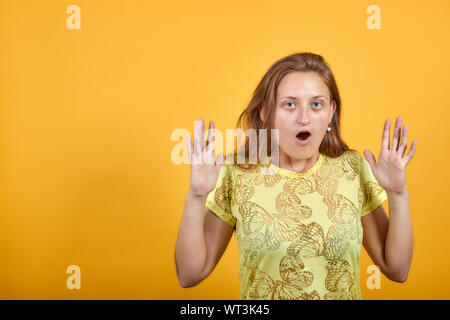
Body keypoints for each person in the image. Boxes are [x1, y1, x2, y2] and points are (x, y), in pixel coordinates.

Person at [175, 52, 417, 300]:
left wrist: (398, 195)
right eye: (289, 104)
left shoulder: (353, 169)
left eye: (316, 104)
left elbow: (397, 270)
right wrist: (196, 197)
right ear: (265, 112)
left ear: (331, 111)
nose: (304, 118)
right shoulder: (238, 173)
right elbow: (189, 274)